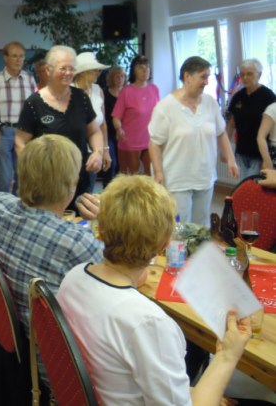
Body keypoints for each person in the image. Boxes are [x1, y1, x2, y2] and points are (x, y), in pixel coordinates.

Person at [57, 174, 251, 406]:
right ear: (163, 246)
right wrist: (228, 354)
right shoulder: (148, 323)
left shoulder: (74, 277)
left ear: (100, 229)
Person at [0, 134, 104, 405]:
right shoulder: (78, 244)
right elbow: (124, 282)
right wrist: (106, 223)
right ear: (71, 185)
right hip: (54, 372)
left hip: (7, 348)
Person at [149, 56, 238, 227]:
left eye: (208, 77)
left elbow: (221, 133)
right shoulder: (166, 107)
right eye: (203, 77)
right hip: (176, 178)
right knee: (180, 228)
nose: (206, 82)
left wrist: (231, 160)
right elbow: (154, 143)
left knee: (201, 227)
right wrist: (158, 172)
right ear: (187, 76)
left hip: (204, 176)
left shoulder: (210, 103)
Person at [15, 45, 103, 208]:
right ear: (48, 70)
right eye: (63, 68)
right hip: (46, 182)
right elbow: (20, 142)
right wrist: (32, 172)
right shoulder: (34, 103)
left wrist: (98, 152)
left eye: (71, 68)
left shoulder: (81, 98)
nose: (68, 73)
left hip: (78, 179)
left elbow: (94, 132)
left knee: (78, 219)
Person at [0, 41, 37, 194]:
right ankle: (1, 205)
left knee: (22, 176)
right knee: (5, 177)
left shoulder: (29, 79)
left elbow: (35, 106)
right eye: (14, 56)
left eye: (21, 56)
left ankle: (18, 206)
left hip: (24, 133)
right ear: (5, 58)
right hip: (3, 132)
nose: (18, 60)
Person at [112, 55, 160, 175]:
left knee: (152, 175)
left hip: (150, 140)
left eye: (147, 67)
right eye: (140, 68)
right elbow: (116, 116)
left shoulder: (154, 89)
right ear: (134, 71)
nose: (145, 70)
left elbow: (159, 113)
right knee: (131, 178)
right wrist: (119, 129)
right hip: (130, 141)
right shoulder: (126, 91)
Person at [228, 58, 276, 177]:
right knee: (243, 184)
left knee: (254, 185)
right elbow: (231, 123)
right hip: (241, 152)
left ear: (259, 75)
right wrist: (226, 150)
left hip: (260, 154)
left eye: (249, 74)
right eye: (242, 74)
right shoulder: (238, 96)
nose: (245, 78)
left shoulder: (268, 96)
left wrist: (267, 159)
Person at [73, 52, 111, 192]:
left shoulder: (98, 90)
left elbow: (103, 123)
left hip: (94, 152)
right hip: (73, 151)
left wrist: (105, 150)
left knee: (88, 191)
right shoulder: (69, 90)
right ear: (83, 72)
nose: (99, 73)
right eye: (95, 70)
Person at [102, 66, 125, 188]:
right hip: (108, 133)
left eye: (122, 76)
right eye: (117, 76)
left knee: (122, 165)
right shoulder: (104, 93)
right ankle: (107, 189)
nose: (120, 79)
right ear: (111, 78)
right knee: (112, 163)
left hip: (124, 133)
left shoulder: (127, 92)